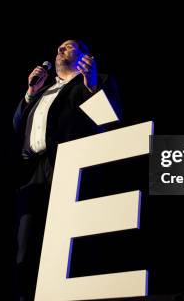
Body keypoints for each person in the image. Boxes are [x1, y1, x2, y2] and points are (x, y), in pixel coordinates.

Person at [12, 39, 120, 301]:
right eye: (60, 46)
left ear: (86, 56)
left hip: (71, 165)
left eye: (70, 46)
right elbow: (17, 125)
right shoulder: (42, 90)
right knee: (27, 244)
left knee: (69, 240)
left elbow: (107, 120)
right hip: (35, 171)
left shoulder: (95, 80)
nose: (61, 49)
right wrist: (30, 92)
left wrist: (91, 85)